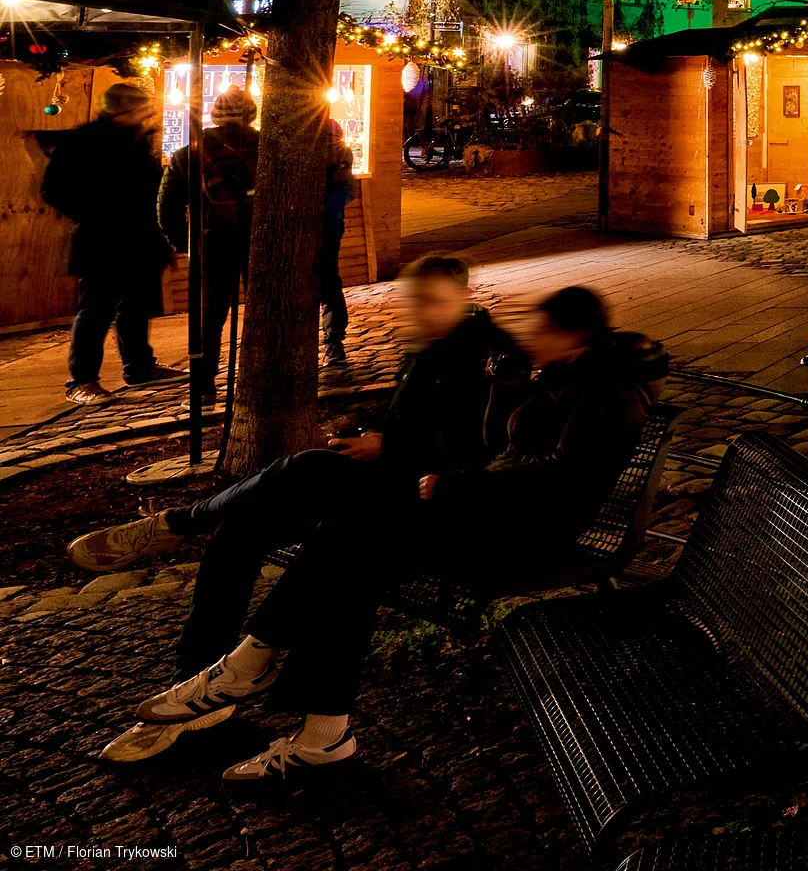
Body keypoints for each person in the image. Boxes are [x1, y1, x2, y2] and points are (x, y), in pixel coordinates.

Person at [84, 284, 661, 780]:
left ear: (575, 335)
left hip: (520, 535)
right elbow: (498, 447)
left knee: (351, 539)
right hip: (482, 510)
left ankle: (261, 674)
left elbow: (561, 482)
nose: (523, 335)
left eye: (539, 328)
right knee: (326, 505)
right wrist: (507, 386)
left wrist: (456, 486)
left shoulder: (610, 393)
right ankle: (293, 706)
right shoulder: (554, 373)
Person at [70, 254, 513, 763]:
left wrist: (388, 445)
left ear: (463, 298)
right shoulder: (430, 351)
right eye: (414, 301)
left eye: (434, 301)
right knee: (239, 530)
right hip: (376, 485)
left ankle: (180, 525)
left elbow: (478, 454)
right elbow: (404, 419)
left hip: (414, 501)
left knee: (315, 483)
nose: (421, 312)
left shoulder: (490, 358)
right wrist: (365, 427)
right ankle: (196, 689)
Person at [43, 82, 180, 404]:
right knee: (95, 311)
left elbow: (149, 192)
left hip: (140, 239)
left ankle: (139, 368)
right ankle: (81, 381)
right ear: (123, 111)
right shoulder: (80, 142)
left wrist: (162, 237)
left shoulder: (139, 141)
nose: (149, 113)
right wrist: (97, 215)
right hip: (102, 240)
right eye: (142, 108)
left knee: (135, 306)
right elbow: (53, 190)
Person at [157, 84, 259, 403]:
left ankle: (202, 387)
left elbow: (166, 208)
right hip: (259, 242)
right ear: (252, 115)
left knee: (209, 318)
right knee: (267, 312)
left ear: (214, 116)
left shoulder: (190, 153)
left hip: (212, 241)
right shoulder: (271, 147)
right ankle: (262, 380)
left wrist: (188, 243)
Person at [320, 116, 357, 369]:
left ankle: (333, 343)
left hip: (320, 224)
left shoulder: (316, 137)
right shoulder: (341, 152)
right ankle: (334, 343)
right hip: (330, 225)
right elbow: (350, 192)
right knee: (329, 281)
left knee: (328, 281)